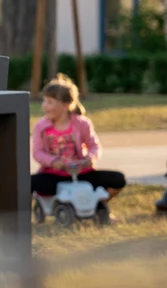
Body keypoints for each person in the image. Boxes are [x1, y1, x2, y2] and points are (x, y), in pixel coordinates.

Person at [31, 73, 126, 208]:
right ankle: (25, 218)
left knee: (118, 179)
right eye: (44, 101)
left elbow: (94, 145)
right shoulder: (41, 126)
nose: (44, 106)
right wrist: (53, 162)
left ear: (66, 105)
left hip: (82, 174)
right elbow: (37, 152)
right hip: (54, 176)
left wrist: (90, 158)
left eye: (49, 102)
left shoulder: (82, 124)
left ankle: (98, 206)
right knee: (25, 183)